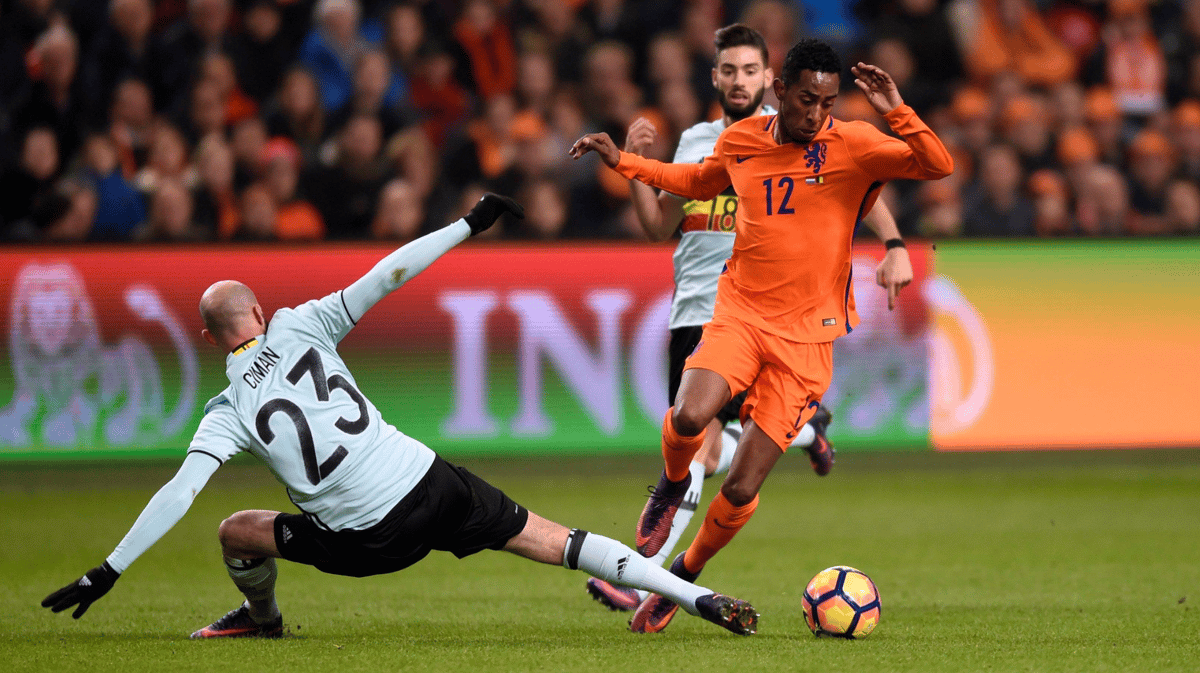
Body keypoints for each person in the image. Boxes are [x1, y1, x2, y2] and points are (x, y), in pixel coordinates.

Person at [40, 194, 759, 638]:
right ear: (257, 312)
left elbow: (178, 492)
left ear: (208, 338)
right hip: (429, 478)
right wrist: (467, 224)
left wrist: (110, 568)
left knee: (237, 531)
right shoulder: (301, 324)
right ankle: (692, 596)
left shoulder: (225, 411)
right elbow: (388, 273)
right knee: (555, 538)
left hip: (369, 538)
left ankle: (262, 623)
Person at [569, 39, 953, 633]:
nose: (815, 113)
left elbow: (937, 164)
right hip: (742, 316)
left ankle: (683, 577)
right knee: (691, 416)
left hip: (807, 343)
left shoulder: (852, 142)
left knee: (743, 481)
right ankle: (671, 487)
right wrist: (624, 162)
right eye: (805, 100)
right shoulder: (743, 141)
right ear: (781, 92)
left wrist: (895, 107)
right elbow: (696, 181)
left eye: (826, 101)